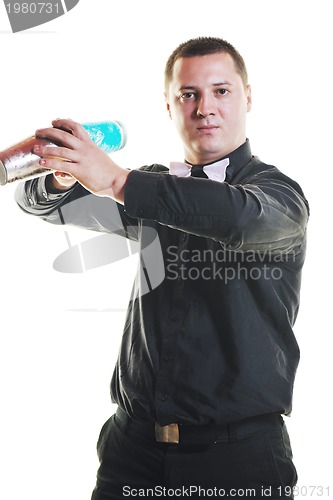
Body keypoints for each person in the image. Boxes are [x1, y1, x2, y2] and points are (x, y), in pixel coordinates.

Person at [15, 37, 309, 499]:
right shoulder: (148, 186)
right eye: (188, 94)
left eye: (221, 91)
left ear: (248, 98)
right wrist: (62, 174)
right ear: (169, 106)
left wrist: (116, 179)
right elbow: (47, 207)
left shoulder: (278, 196)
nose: (204, 108)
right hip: (131, 452)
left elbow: (237, 218)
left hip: (239, 460)